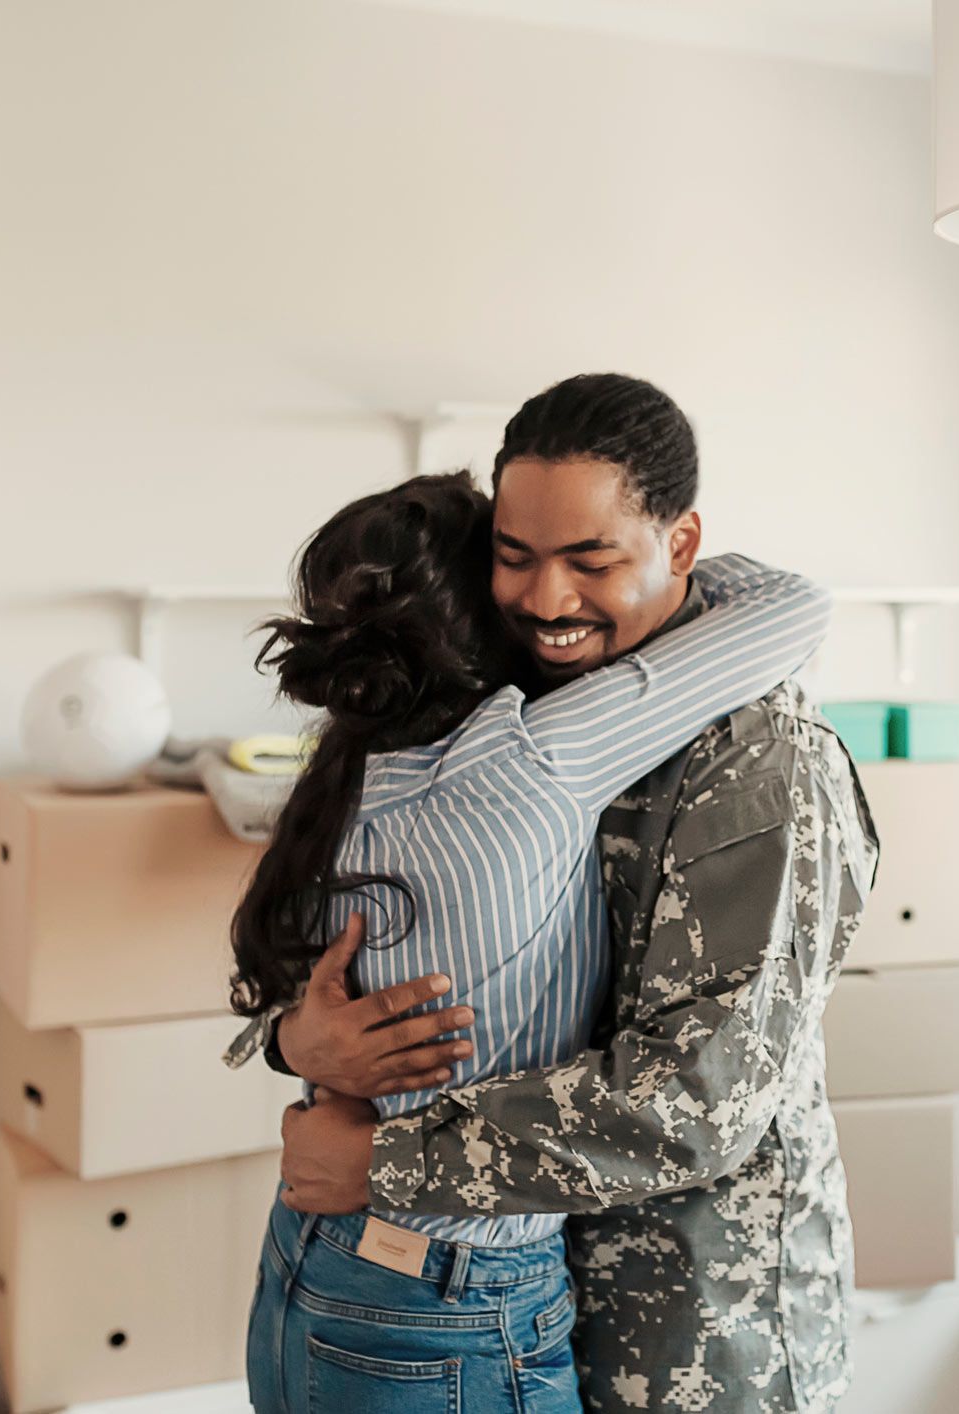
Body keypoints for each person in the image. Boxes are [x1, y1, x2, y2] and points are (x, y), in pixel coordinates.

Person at [269, 374, 880, 1413]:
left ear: (681, 546)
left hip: (692, 1332)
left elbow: (699, 1099)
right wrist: (299, 1040)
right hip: (515, 1302)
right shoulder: (513, 706)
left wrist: (388, 1160)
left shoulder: (762, 765)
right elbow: (357, 937)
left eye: (592, 560)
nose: (547, 600)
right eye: (516, 556)